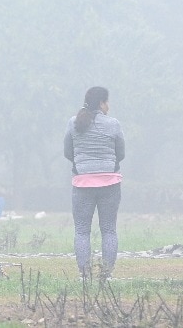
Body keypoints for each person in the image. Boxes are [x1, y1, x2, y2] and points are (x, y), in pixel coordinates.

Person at [63, 86, 125, 279]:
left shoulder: (73, 123)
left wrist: (81, 165)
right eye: (107, 101)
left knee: (82, 230)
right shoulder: (113, 124)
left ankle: (84, 274)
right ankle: (106, 273)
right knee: (108, 230)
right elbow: (120, 153)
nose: (109, 106)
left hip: (82, 184)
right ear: (101, 103)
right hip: (110, 184)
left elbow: (67, 152)